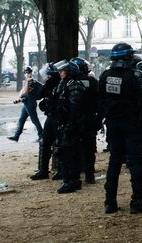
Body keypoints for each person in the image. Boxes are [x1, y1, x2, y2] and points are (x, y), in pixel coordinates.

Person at [98, 42, 142, 214]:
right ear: (129, 57)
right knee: (136, 163)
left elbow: (101, 101)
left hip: (113, 125)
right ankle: (137, 202)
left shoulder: (105, 76)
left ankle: (110, 203)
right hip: (133, 125)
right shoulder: (137, 76)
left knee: (114, 162)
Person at [54, 60, 85, 194]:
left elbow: (75, 108)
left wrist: (70, 125)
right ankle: (70, 180)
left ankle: (71, 181)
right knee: (65, 152)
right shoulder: (64, 83)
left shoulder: (74, 85)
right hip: (64, 123)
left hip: (71, 125)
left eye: (63, 71)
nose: (60, 73)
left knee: (69, 153)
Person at [30, 63, 61, 180]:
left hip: (59, 117)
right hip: (50, 117)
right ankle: (43, 170)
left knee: (59, 144)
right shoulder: (50, 84)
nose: (46, 77)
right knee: (45, 143)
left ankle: (60, 170)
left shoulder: (61, 83)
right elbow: (39, 95)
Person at [70, 57, 99, 184]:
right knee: (89, 149)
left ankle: (75, 177)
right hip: (90, 119)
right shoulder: (92, 81)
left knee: (74, 148)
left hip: (74, 120)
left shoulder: (70, 81)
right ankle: (90, 176)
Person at [8, 66, 43, 142]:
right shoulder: (28, 81)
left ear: (30, 73)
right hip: (26, 102)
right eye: (26, 73)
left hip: (30, 103)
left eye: (28, 72)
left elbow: (25, 92)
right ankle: (16, 136)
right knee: (21, 119)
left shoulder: (32, 82)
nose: (27, 74)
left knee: (34, 120)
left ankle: (41, 136)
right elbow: (22, 93)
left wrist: (26, 82)